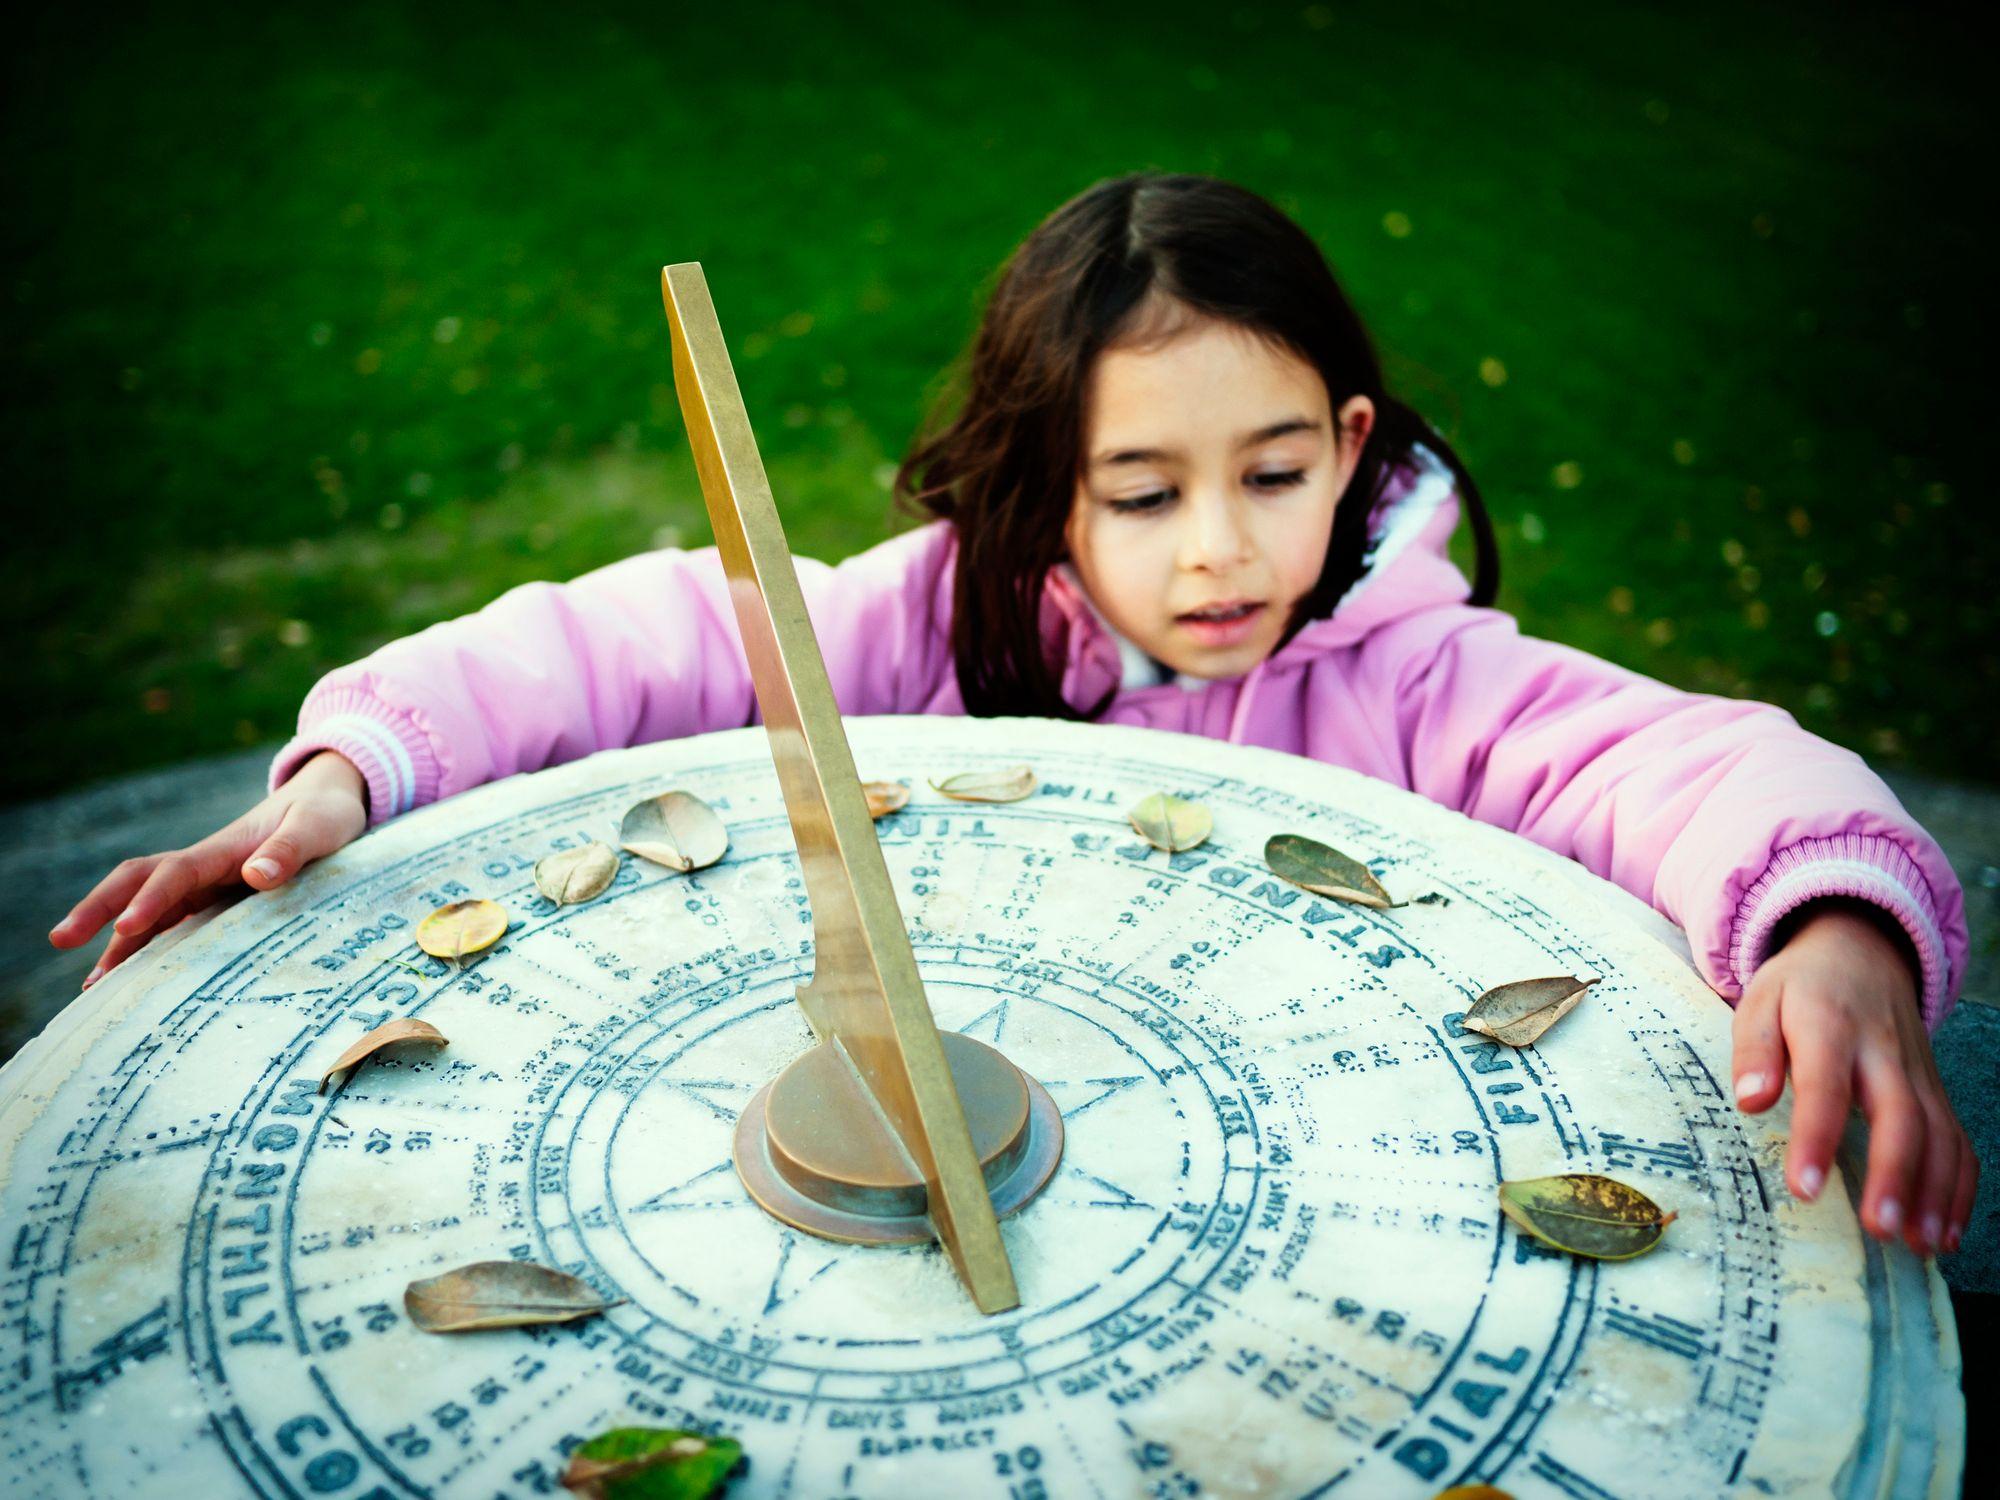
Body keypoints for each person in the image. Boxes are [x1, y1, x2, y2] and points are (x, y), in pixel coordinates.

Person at [49, 172, 1975, 1260]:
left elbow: (1689, 760)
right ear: (1043, 485)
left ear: (1353, 451)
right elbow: (614, 643)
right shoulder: (919, 633)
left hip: (1318, 1244)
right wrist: (343, 772)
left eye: (1277, 471)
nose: (1222, 552)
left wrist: (1830, 926)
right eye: (1143, 492)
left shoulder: (1415, 670)